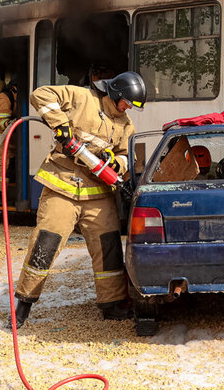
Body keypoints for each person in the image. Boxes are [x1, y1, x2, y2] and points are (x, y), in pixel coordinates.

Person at [12, 71, 146, 327]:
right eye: (125, 102)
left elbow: (131, 156)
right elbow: (41, 94)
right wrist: (60, 124)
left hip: (98, 194)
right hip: (62, 186)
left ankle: (112, 303)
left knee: (108, 247)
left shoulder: (126, 124)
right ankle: (23, 304)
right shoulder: (82, 97)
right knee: (46, 242)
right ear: (116, 93)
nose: (127, 108)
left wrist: (115, 164)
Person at [0, 81, 18, 203]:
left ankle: (6, 194)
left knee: (10, 164)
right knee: (4, 163)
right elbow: (1, 122)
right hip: (0, 137)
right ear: (14, 88)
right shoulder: (3, 99)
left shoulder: (12, 97)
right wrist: (10, 123)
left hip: (9, 138)